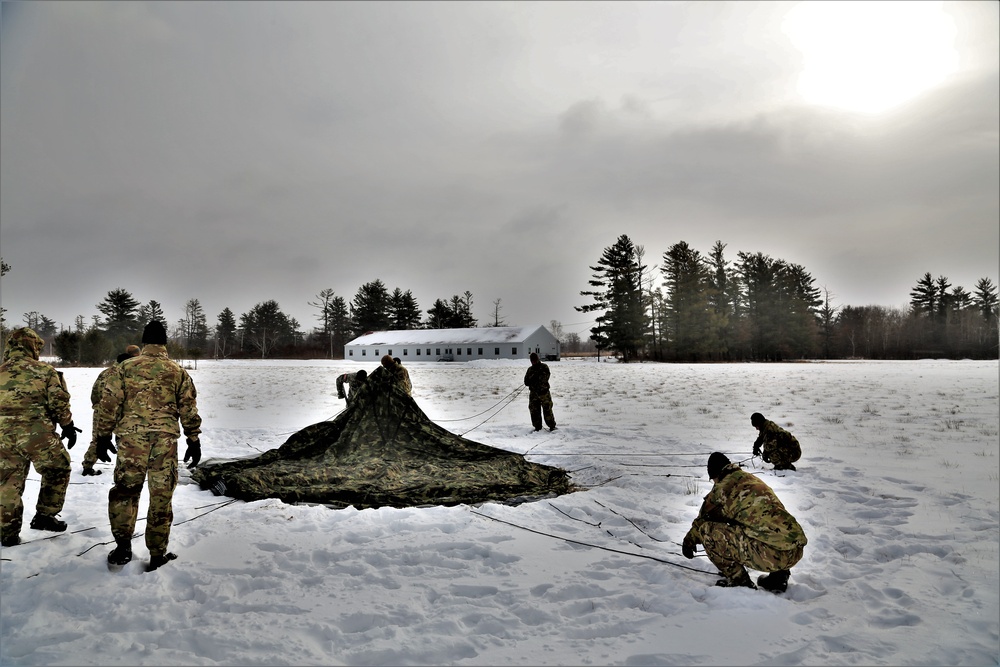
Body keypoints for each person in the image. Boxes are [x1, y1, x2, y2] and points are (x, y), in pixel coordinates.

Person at [94, 321, 203, 571]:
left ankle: (123, 547)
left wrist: (102, 435)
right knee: (161, 497)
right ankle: (157, 554)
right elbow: (188, 407)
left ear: (144, 343)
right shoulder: (177, 371)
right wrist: (193, 439)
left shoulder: (124, 368)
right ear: (164, 343)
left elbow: (109, 403)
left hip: (132, 441)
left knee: (125, 492)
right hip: (164, 442)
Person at [0, 327, 80, 547]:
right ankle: (45, 515)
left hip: (2, 436)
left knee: (7, 483)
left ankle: (7, 532)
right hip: (37, 434)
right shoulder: (45, 371)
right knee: (58, 467)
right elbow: (58, 402)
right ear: (33, 346)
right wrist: (68, 426)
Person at [682, 452, 807, 592]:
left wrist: (689, 541)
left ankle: (740, 583)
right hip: (795, 551)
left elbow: (703, 521)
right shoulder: (751, 479)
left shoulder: (722, 489)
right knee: (763, 524)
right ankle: (779, 577)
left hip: (773, 556)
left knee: (707, 531)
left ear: (715, 475)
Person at [82, 346, 140, 476]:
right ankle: (124, 468)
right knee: (123, 440)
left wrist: (98, 407)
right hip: (123, 412)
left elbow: (95, 393)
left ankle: (88, 464)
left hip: (101, 411)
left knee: (98, 439)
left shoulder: (105, 373)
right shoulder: (130, 373)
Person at [524, 352, 556, 432]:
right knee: (534, 410)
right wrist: (531, 380)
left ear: (537, 359)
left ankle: (552, 426)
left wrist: (536, 379)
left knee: (547, 409)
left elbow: (545, 378)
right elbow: (526, 382)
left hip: (543, 393)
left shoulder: (544, 367)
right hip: (533, 394)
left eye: (534, 360)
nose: (533, 362)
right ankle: (537, 427)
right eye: (532, 360)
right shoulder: (530, 369)